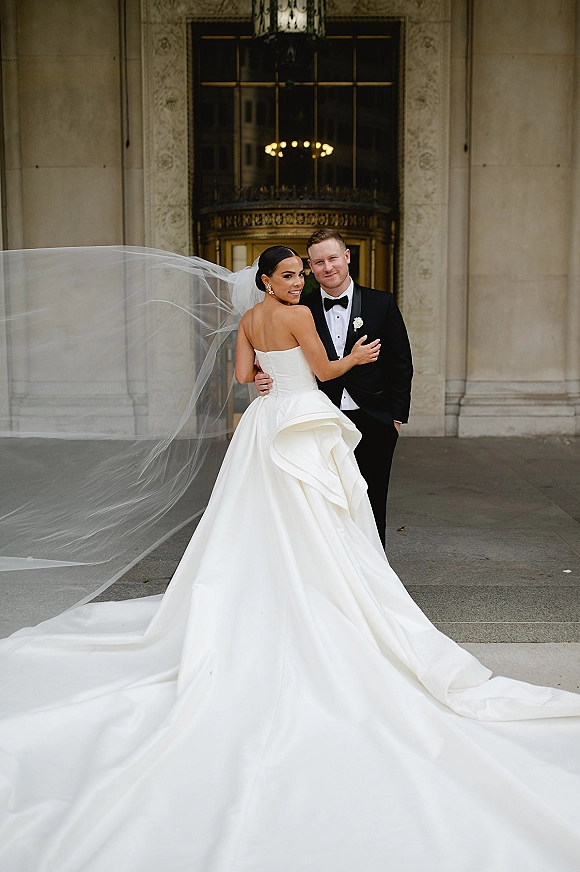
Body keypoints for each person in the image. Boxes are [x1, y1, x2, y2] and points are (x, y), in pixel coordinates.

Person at [1, 244, 580, 872]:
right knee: (323, 515)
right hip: (304, 418)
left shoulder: (249, 319)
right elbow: (326, 374)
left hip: (264, 424)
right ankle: (328, 590)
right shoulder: (301, 313)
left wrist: (267, 379)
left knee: (257, 516)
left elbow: (241, 380)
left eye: (303, 273)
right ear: (270, 279)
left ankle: (278, 586)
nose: (300, 281)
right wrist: (354, 357)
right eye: (291, 274)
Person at [255, 228, 413, 546]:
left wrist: (396, 418)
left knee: (371, 500)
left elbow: (401, 363)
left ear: (347, 257)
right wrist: (261, 373)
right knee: (324, 502)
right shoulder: (300, 309)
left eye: (332, 258)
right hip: (319, 418)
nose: (327, 267)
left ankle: (372, 576)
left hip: (374, 419)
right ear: (310, 268)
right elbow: (280, 355)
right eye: (318, 262)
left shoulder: (381, 304)